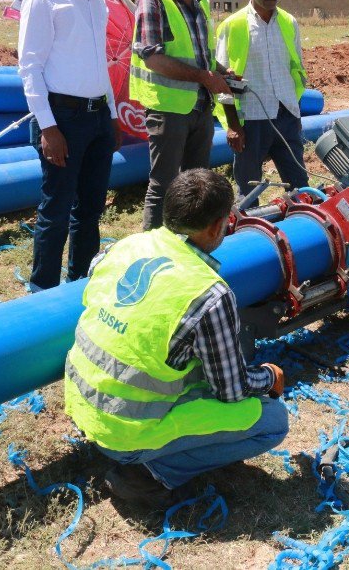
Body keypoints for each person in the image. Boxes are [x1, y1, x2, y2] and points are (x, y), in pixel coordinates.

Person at [64, 168, 289, 507]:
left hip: (83, 405)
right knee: (273, 420)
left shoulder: (123, 248)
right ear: (218, 225)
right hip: (125, 432)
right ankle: (152, 473)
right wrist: (270, 376)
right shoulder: (208, 293)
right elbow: (231, 391)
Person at [17, 0, 126, 292]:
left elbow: (100, 63)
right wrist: (48, 129)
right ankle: (42, 292)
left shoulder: (97, 1)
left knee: (91, 209)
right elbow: (29, 67)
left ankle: (80, 283)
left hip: (97, 117)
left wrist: (111, 115)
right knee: (57, 210)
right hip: (62, 118)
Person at [130, 0, 234, 230]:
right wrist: (205, 77)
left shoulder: (200, 0)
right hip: (169, 109)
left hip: (200, 106)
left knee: (196, 185)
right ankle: (152, 250)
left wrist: (221, 72)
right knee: (163, 185)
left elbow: (201, 56)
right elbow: (152, 57)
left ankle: (187, 244)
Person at [215, 0, 309, 202]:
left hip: (287, 114)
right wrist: (233, 125)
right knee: (248, 191)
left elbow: (295, 68)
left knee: (299, 185)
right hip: (251, 119)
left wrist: (294, 109)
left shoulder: (289, 22)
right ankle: (250, 233)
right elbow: (221, 80)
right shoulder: (233, 25)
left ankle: (300, 230)